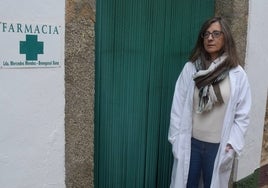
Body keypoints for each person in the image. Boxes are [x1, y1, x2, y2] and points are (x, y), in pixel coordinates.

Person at [168, 17, 251, 188]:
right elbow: (178, 105)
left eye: (215, 33)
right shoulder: (191, 68)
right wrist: (176, 138)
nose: (210, 38)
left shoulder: (236, 74)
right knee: (188, 184)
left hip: (218, 147)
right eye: (206, 34)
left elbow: (242, 114)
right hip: (191, 144)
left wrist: (232, 144)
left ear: (225, 37)